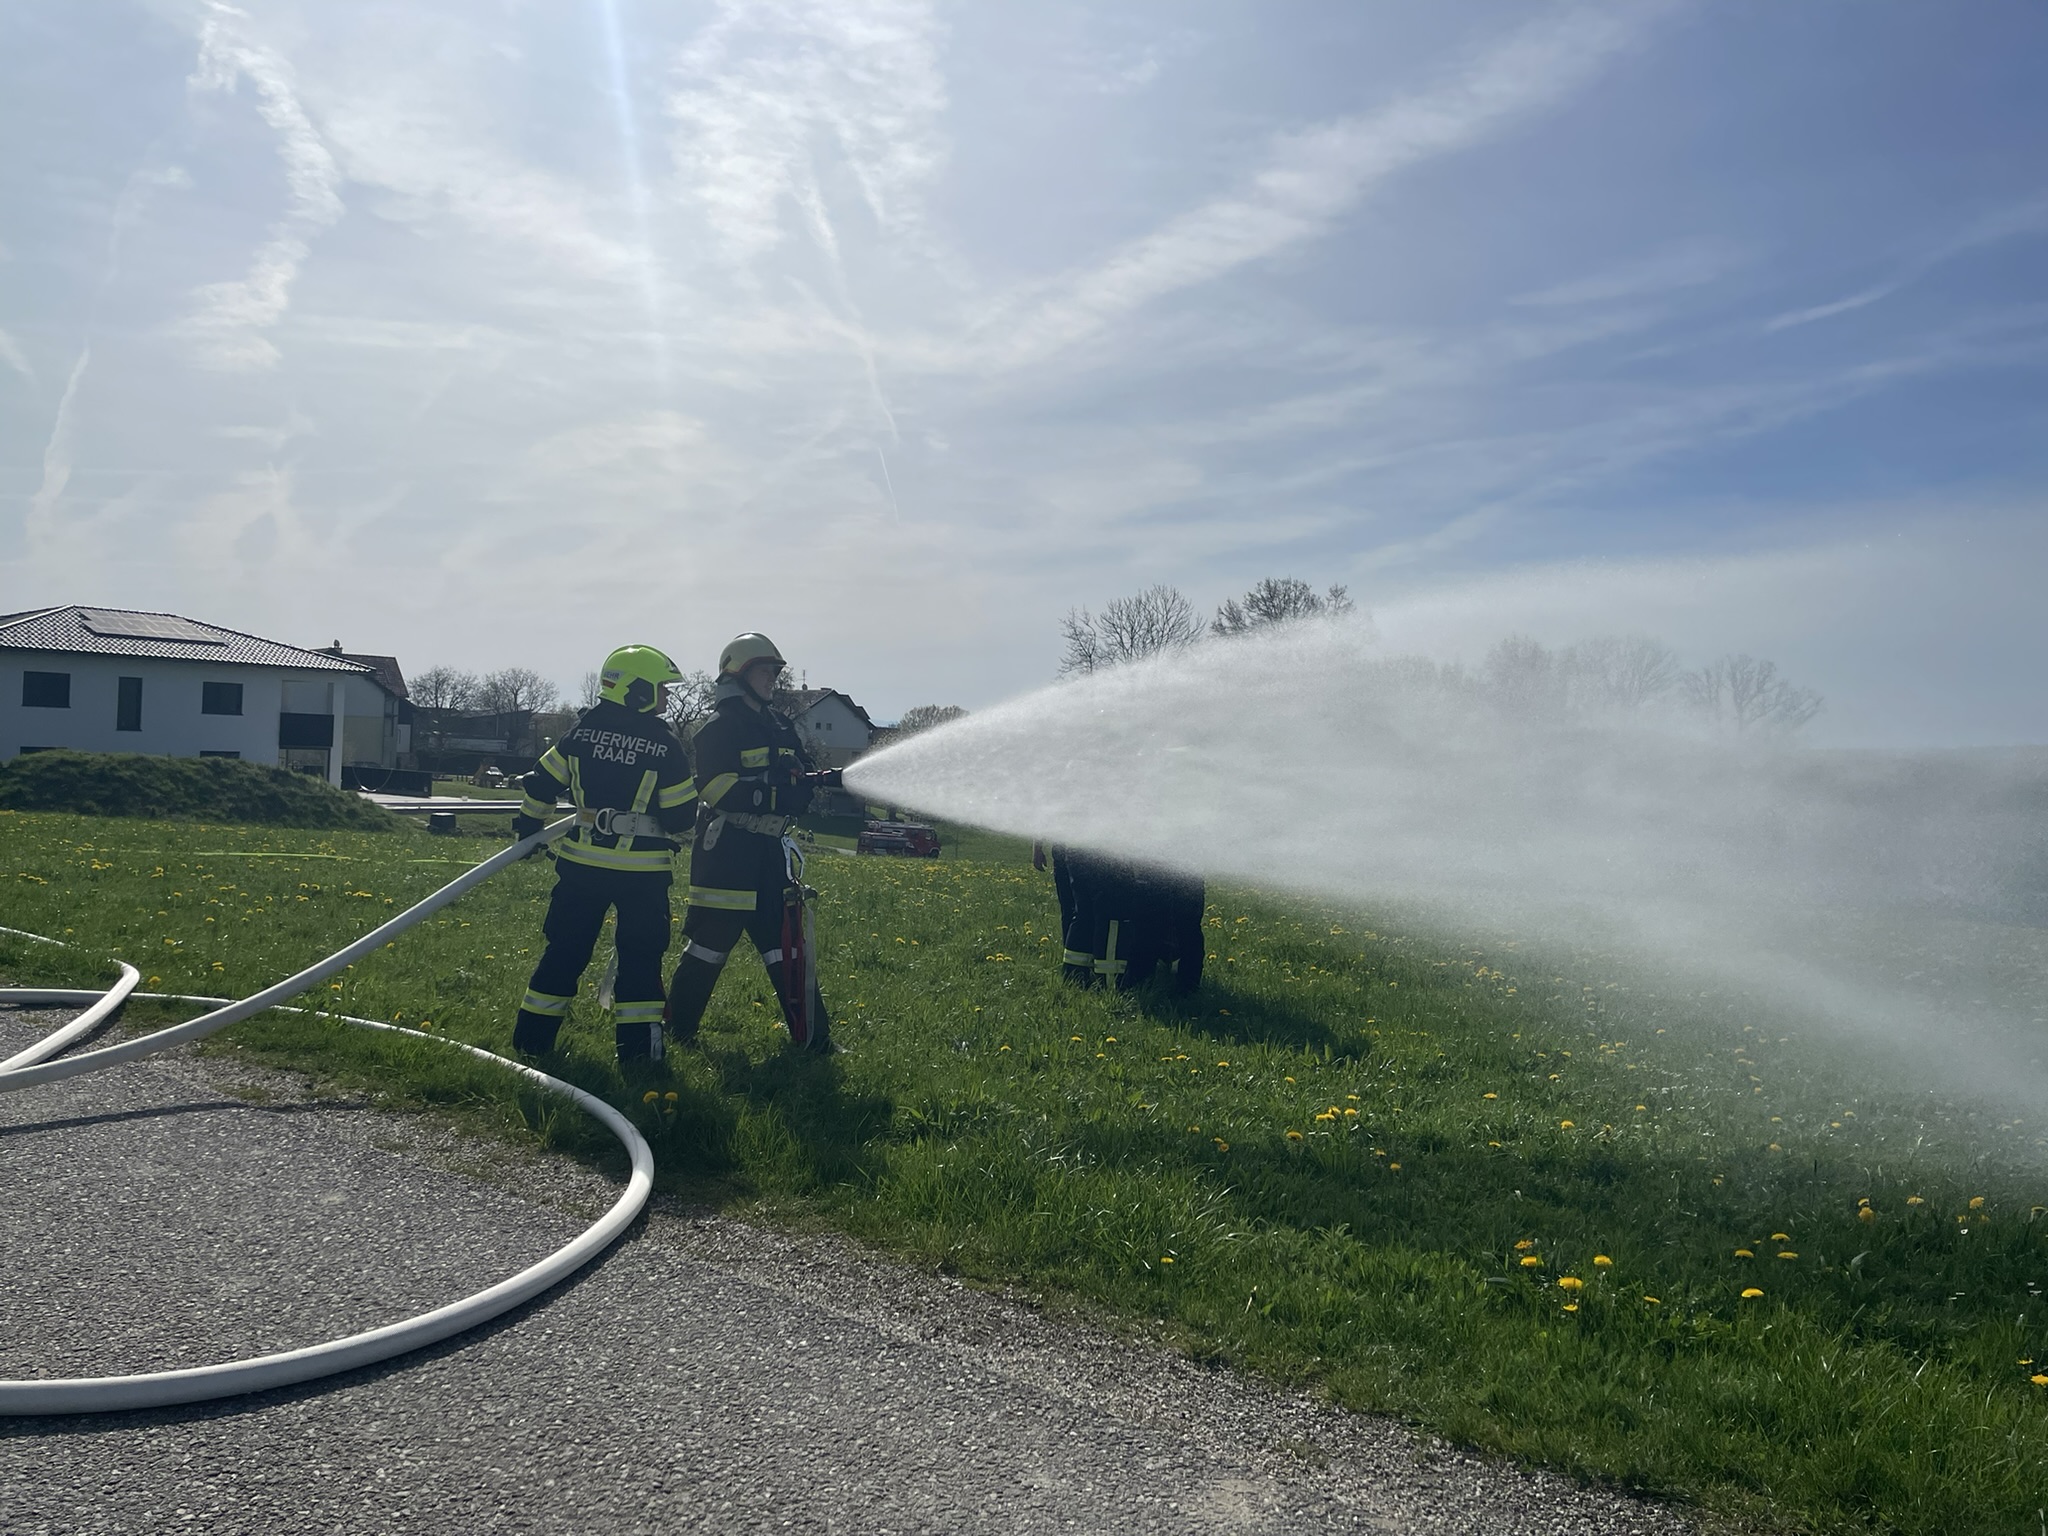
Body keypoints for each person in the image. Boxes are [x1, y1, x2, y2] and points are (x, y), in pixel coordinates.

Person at [509, 644, 695, 1063]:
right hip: (643, 876)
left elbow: (540, 783)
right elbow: (681, 816)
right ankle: (640, 1058)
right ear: (637, 691)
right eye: (661, 688)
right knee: (640, 961)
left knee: (564, 952)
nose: (667, 696)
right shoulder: (664, 743)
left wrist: (530, 830)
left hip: (581, 868)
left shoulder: (580, 733)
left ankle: (531, 1044)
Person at [664, 633, 838, 1053]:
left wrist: (800, 783)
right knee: (709, 945)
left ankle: (815, 1041)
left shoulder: (778, 724)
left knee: (787, 947)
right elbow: (715, 788)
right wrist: (773, 795)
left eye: (775, 672)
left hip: (769, 853)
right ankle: (678, 1032)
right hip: (728, 851)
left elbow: (802, 770)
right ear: (738, 675)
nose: (772, 679)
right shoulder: (719, 727)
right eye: (765, 671)